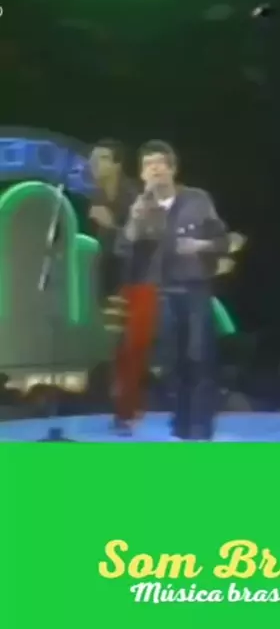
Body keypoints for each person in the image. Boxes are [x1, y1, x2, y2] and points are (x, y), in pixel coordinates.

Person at [116, 139, 230, 440]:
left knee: (199, 358)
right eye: (148, 165)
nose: (154, 169)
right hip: (161, 291)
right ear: (142, 174)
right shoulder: (141, 207)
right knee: (171, 363)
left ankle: (200, 428)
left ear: (172, 169)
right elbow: (124, 247)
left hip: (194, 289)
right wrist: (136, 218)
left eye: (160, 163)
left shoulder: (197, 199)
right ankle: (181, 426)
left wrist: (199, 246)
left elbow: (222, 240)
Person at [88, 139, 138, 431]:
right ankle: (117, 411)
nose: (94, 164)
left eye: (102, 158)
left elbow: (140, 242)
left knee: (125, 344)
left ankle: (127, 411)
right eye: (93, 159)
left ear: (117, 164)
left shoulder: (133, 196)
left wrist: (111, 226)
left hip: (130, 278)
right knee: (112, 344)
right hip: (108, 276)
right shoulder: (98, 195)